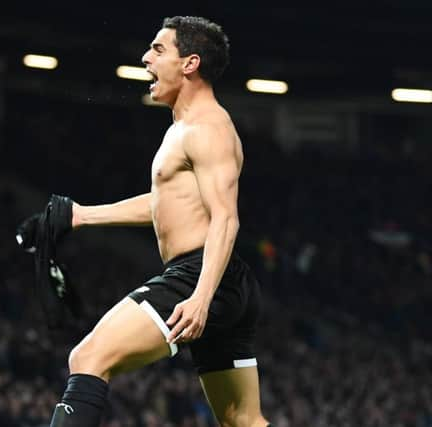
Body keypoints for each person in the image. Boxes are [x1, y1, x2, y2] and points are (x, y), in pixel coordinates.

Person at [47, 16, 271, 427]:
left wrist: (201, 297)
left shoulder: (208, 128)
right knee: (243, 419)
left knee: (89, 357)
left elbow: (226, 219)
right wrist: (83, 216)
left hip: (199, 276)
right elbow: (166, 203)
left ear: (190, 64)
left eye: (158, 49)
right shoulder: (184, 128)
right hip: (221, 279)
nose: (146, 58)